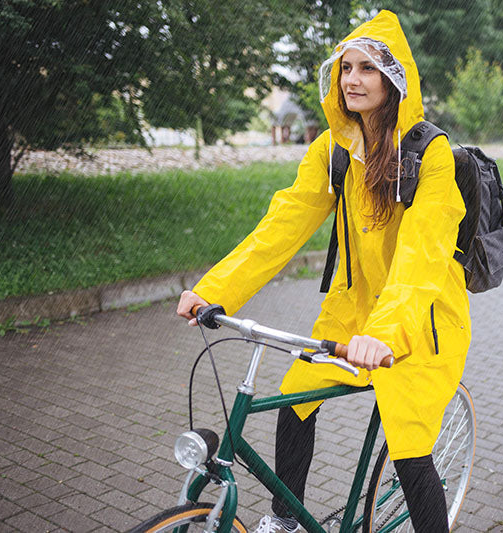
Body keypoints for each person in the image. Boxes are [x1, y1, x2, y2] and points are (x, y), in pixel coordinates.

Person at [177, 10, 470, 533]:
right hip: (351, 315)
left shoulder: (432, 155)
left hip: (420, 322)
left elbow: (422, 256)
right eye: (345, 68)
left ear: (394, 80)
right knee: (296, 399)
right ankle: (285, 519)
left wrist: (384, 332)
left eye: (368, 70)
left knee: (408, 443)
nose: (352, 80)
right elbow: (281, 226)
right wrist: (212, 290)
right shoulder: (333, 151)